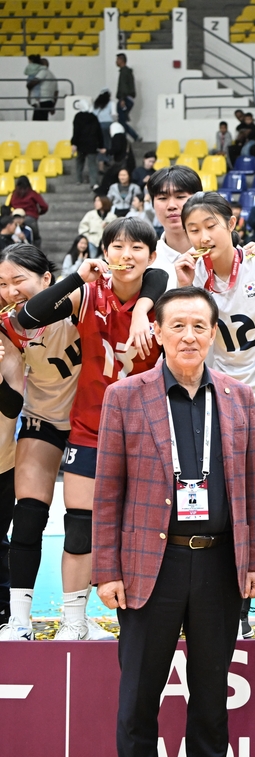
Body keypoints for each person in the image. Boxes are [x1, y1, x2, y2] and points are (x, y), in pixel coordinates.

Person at [93, 286, 255, 757]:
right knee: (138, 704)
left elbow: (253, 486)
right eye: (178, 326)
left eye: (199, 326)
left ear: (213, 333)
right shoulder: (125, 396)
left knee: (211, 704)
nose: (189, 336)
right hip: (151, 567)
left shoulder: (239, 397)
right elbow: (107, 491)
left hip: (218, 569)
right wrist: (107, 569)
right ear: (160, 332)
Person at [16, 217, 166, 641]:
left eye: (137, 247)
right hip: (89, 428)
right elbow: (28, 317)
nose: (126, 254)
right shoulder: (86, 294)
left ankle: (134, 622)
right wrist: (74, 277)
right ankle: (73, 622)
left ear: (150, 256)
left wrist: (143, 309)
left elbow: (162, 277)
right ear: (104, 254)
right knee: (80, 525)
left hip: (143, 435)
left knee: (138, 528)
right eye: (116, 246)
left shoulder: (164, 298)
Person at [173, 193, 255, 640]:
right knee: (229, 511)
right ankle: (238, 608)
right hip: (222, 402)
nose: (204, 236)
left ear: (233, 222)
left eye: (211, 224)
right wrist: (184, 284)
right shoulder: (194, 276)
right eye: (194, 229)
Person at [0, 245, 81, 642]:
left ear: (47, 279)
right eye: (2, 284)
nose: (11, 291)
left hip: (89, 423)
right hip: (42, 420)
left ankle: (77, 620)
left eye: (19, 280)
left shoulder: (77, 307)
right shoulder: (7, 327)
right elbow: (12, 402)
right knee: (29, 516)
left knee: (85, 525)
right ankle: (19, 621)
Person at [148, 166, 205, 282]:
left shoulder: (218, 253)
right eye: (163, 198)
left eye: (180, 197)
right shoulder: (146, 261)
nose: (171, 206)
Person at [70, 100, 104, 186]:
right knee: (92, 165)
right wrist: (101, 145)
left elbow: (76, 132)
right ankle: (94, 182)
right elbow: (99, 132)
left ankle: (79, 179)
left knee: (79, 162)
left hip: (81, 144)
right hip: (92, 144)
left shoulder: (78, 117)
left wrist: (74, 143)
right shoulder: (94, 117)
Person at [9, 176, 48, 245]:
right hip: (30, 218)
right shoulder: (32, 193)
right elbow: (44, 206)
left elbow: (11, 204)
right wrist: (38, 213)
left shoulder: (14, 194)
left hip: (16, 219)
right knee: (36, 239)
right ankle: (36, 254)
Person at [114, 52, 140, 141]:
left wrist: (122, 99)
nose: (116, 62)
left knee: (121, 122)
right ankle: (129, 138)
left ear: (121, 60)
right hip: (129, 99)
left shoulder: (124, 72)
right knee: (122, 121)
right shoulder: (127, 72)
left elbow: (123, 86)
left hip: (125, 99)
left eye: (117, 60)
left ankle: (134, 137)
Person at [26, 56, 57, 121]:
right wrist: (53, 106)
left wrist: (28, 85)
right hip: (49, 101)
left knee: (38, 122)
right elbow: (56, 92)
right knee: (43, 120)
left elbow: (35, 82)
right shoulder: (53, 75)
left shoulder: (43, 72)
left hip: (42, 101)